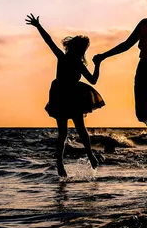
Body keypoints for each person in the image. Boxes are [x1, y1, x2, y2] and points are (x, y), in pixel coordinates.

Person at [26, 13, 104, 177]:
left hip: (69, 94)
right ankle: (65, 162)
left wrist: (97, 65)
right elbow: (49, 41)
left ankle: (80, 158)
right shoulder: (65, 58)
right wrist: (39, 26)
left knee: (70, 131)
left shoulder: (73, 61)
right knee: (71, 130)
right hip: (63, 94)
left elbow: (93, 80)